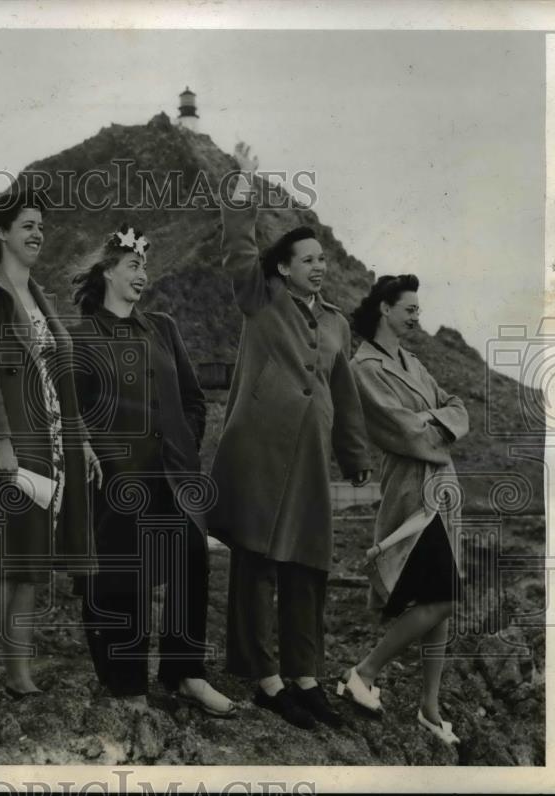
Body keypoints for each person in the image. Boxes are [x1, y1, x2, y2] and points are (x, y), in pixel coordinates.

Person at [209, 145, 372, 730]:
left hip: (308, 460)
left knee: (308, 563)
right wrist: (241, 194)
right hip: (257, 452)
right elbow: (237, 251)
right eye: (307, 259)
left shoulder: (335, 322)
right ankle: (268, 680)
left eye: (323, 259)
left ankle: (306, 676)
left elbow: (343, 392)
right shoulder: (263, 298)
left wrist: (353, 455)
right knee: (256, 560)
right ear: (283, 268)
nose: (319, 266)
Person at [69, 224, 237, 717]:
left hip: (175, 475)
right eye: (133, 265)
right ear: (107, 272)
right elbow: (72, 410)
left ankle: (187, 674)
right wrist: (103, 456)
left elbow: (191, 398)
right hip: (119, 479)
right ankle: (127, 686)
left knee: (190, 563)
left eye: (145, 266)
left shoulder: (161, 326)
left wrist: (183, 443)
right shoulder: (82, 337)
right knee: (125, 578)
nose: (143, 274)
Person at [0, 186, 100, 704]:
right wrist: (2, 439)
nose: (37, 233)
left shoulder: (39, 296)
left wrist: (83, 444)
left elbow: (61, 376)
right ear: (1, 232)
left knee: (31, 563)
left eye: (41, 226)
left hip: (52, 439)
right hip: (12, 439)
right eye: (27, 225)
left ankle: (18, 671)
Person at [341, 274, 468, 746]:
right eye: (410, 309)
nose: (417, 316)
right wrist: (436, 425)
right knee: (441, 598)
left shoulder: (412, 362)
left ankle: (429, 710)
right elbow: (402, 432)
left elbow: (457, 409)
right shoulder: (365, 367)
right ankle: (363, 672)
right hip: (411, 492)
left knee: (441, 600)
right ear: (385, 310)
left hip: (442, 490)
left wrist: (432, 420)